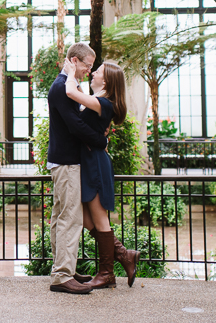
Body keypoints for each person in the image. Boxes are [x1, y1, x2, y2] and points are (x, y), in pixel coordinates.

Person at [62, 58, 141, 289]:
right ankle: (124, 254)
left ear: (106, 80)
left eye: (97, 71)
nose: (92, 73)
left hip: (95, 163)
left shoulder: (104, 103)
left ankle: (107, 273)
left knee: (98, 218)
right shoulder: (97, 101)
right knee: (85, 218)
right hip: (88, 161)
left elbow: (69, 91)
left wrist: (70, 72)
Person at [46, 42, 107, 295]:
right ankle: (62, 275)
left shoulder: (65, 86)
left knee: (60, 216)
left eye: (91, 67)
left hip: (62, 161)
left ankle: (63, 269)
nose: (88, 70)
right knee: (70, 218)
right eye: (86, 65)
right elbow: (74, 126)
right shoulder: (62, 88)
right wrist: (101, 141)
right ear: (73, 60)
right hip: (67, 162)